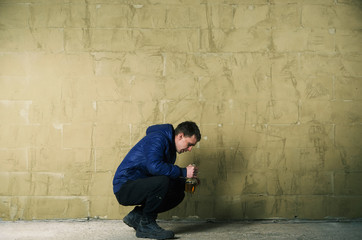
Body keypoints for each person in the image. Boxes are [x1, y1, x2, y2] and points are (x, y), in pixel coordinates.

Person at [113, 121, 201, 239]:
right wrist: (184, 172)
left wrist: (185, 182)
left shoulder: (170, 149)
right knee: (163, 181)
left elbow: (162, 176)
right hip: (125, 186)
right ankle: (146, 226)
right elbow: (155, 168)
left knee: (178, 192)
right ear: (180, 136)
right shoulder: (158, 138)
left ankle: (137, 216)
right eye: (189, 144)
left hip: (139, 184)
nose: (190, 149)